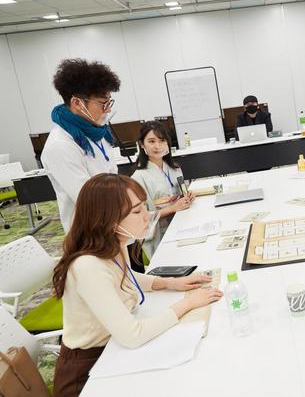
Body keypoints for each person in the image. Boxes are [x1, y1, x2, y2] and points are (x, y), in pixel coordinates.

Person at [51, 173, 222, 396]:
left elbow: (124, 274)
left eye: (144, 207)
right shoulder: (87, 266)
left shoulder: (113, 242)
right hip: (87, 373)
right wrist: (187, 304)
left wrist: (170, 282)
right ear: (108, 220)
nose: (146, 216)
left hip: (113, 351)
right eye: (136, 211)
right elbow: (133, 335)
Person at [41, 59, 120, 233]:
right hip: (90, 233)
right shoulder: (60, 145)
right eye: (102, 103)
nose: (107, 109)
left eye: (109, 102)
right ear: (77, 103)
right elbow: (88, 200)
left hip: (116, 221)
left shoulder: (96, 131)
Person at [131, 121, 195, 258]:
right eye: (151, 141)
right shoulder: (138, 177)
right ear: (142, 144)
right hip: (159, 235)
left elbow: (181, 195)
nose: (157, 146)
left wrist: (187, 197)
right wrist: (172, 208)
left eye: (162, 140)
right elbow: (140, 217)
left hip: (182, 225)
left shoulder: (175, 168)